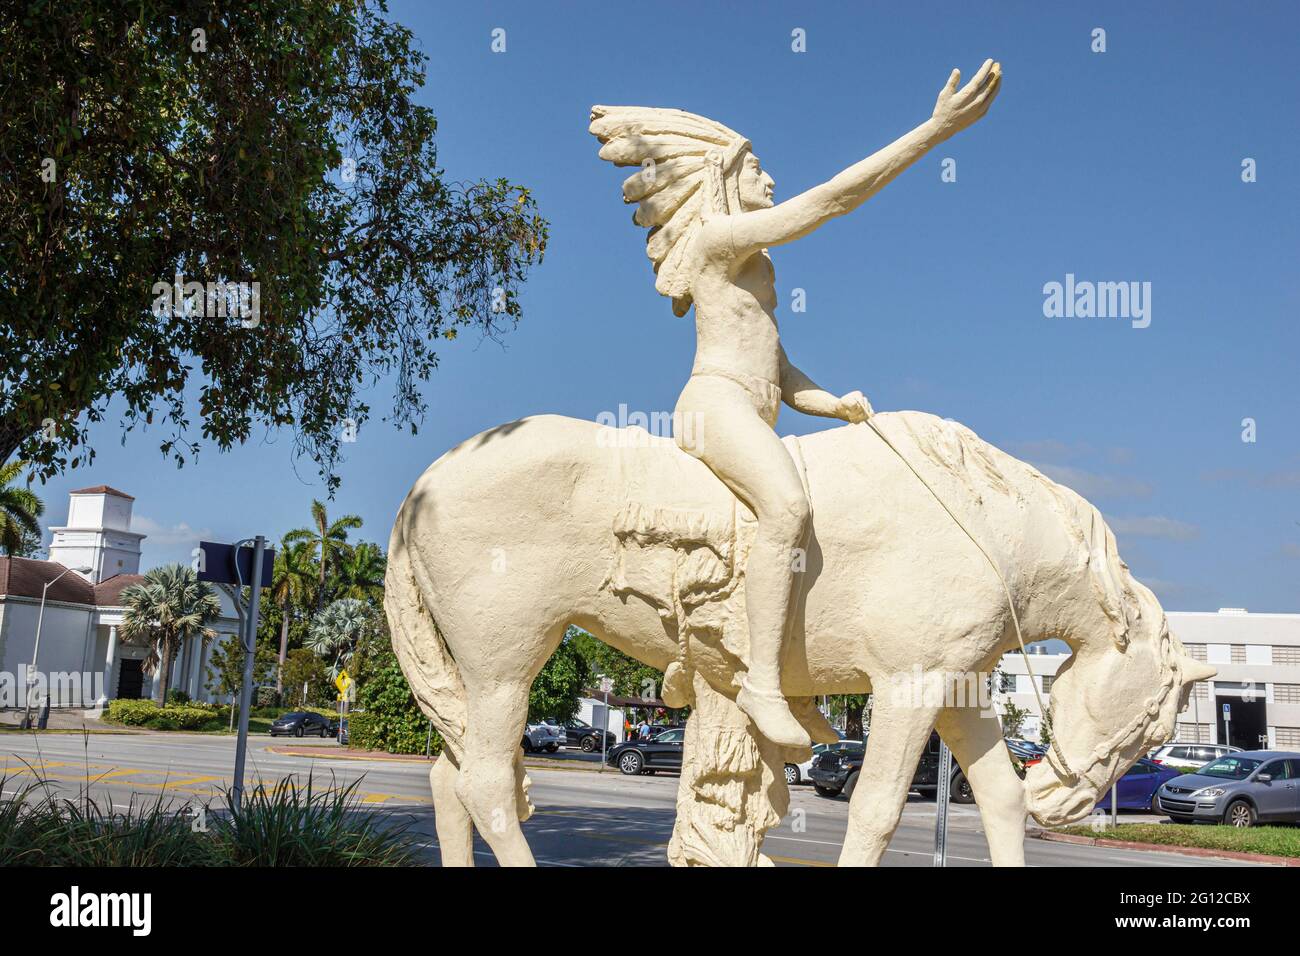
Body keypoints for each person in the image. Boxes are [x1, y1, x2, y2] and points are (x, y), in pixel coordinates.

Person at [590, 61, 1002, 747]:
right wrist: (933, 132)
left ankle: (792, 672)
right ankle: (760, 681)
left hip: (752, 409)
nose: (769, 180)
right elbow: (831, 201)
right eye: (756, 170)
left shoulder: (760, 275)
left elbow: (778, 371)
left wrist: (832, 402)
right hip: (713, 407)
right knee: (787, 508)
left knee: (815, 531)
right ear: (726, 179)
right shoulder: (719, 242)